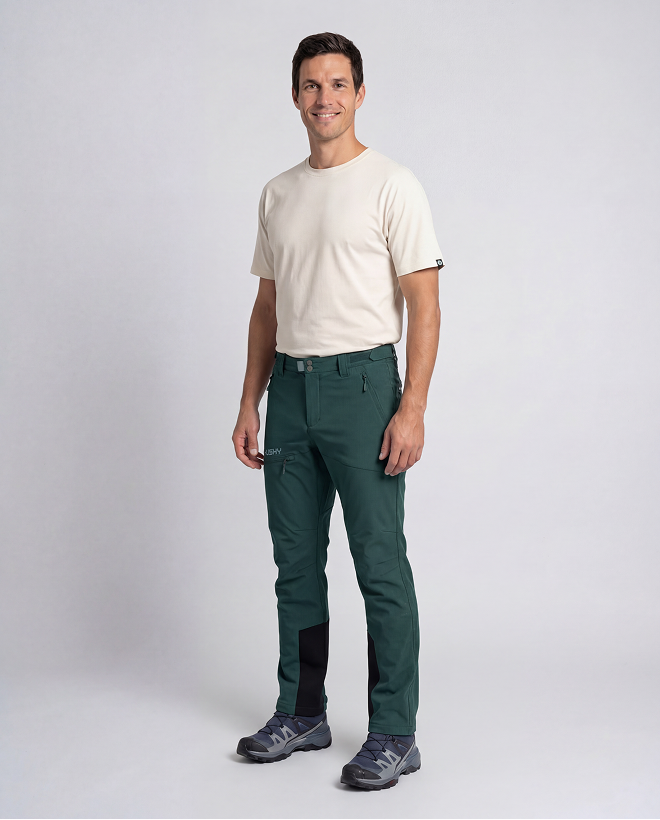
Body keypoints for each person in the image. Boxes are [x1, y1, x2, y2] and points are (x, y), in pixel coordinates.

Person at [231, 31, 444, 791]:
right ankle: (302, 710)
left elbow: (425, 303)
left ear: (358, 93)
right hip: (290, 391)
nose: (325, 98)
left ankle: (394, 730)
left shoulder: (393, 184)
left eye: (338, 84)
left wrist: (411, 406)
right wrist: (249, 401)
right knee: (295, 563)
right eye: (312, 85)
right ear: (295, 96)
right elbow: (267, 307)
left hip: (364, 388)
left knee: (379, 563)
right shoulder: (277, 193)